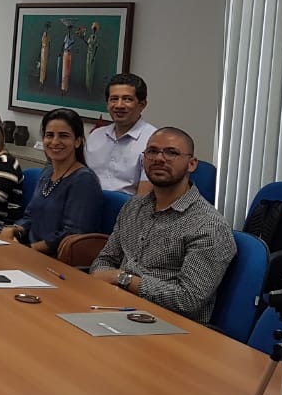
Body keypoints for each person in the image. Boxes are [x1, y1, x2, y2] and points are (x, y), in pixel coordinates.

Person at [90, 127, 235, 323]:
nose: (159, 158)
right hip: (116, 307)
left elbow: (189, 300)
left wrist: (123, 278)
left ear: (191, 164)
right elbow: (104, 260)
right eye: (152, 151)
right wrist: (106, 276)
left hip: (169, 325)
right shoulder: (134, 207)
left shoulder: (208, 224)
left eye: (171, 153)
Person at [1, 108, 103, 255]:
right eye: (49, 135)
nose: (55, 142)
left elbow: (72, 234)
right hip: (30, 251)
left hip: (55, 259)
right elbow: (30, 216)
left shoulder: (84, 180)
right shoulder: (47, 171)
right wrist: (15, 229)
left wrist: (28, 249)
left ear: (77, 141)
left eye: (63, 136)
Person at [85, 73, 157, 196]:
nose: (119, 105)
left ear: (142, 104)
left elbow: (144, 199)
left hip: (128, 207)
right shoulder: (95, 136)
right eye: (114, 99)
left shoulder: (153, 141)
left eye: (127, 99)